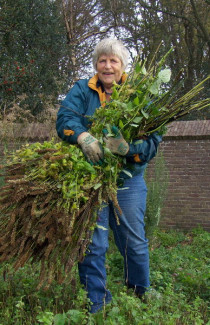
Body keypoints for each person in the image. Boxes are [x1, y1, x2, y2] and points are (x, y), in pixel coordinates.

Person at [56, 38, 162, 313]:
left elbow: (152, 142)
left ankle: (139, 294)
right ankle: (97, 302)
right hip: (90, 178)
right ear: (95, 65)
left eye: (113, 61)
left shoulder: (139, 95)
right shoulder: (83, 89)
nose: (107, 66)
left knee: (134, 241)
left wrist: (129, 149)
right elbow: (65, 117)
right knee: (92, 243)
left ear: (122, 66)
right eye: (102, 60)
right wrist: (81, 135)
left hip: (128, 180)